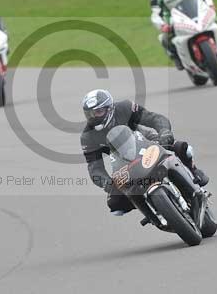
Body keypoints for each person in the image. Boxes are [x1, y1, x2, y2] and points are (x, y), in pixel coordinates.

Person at [80, 89, 210, 215]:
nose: (93, 117)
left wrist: (164, 132)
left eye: (98, 112)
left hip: (144, 139)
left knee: (181, 148)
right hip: (120, 160)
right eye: (89, 114)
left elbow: (154, 118)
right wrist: (107, 183)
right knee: (115, 204)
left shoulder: (125, 107)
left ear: (109, 108)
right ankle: (150, 213)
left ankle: (193, 172)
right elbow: (95, 168)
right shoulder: (87, 137)